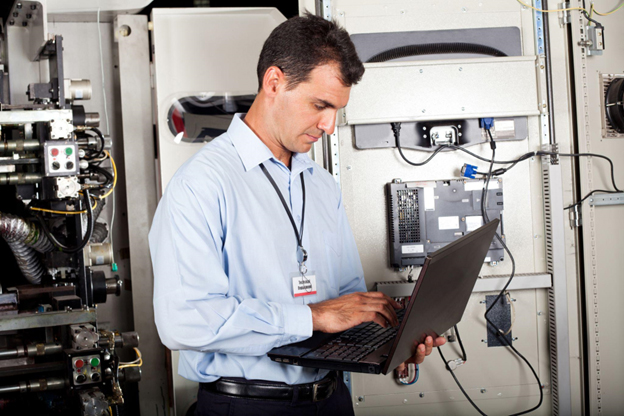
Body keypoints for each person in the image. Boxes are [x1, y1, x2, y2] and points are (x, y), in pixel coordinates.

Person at [149, 12, 445, 416]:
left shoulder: (321, 186)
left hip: (331, 400)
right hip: (247, 406)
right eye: (320, 105)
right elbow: (183, 321)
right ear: (274, 82)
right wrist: (309, 317)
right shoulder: (201, 185)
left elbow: (349, 302)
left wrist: (393, 337)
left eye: (337, 109)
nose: (329, 125)